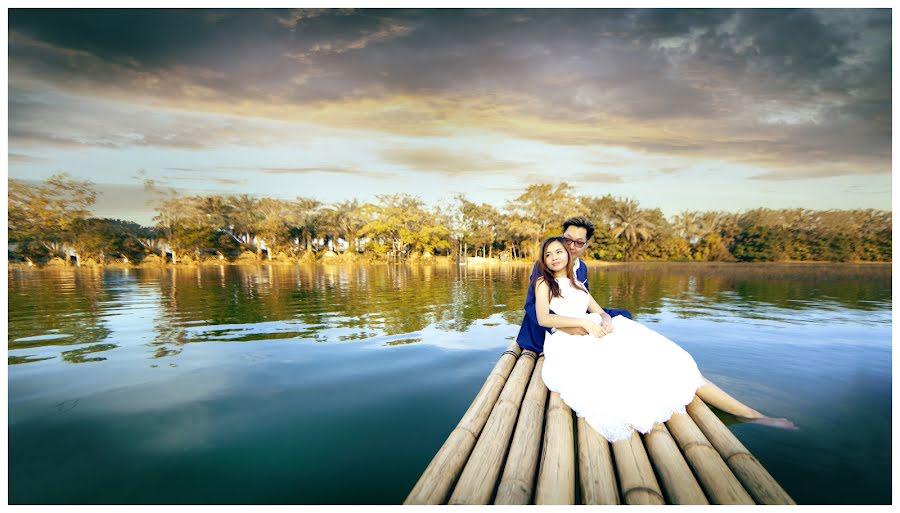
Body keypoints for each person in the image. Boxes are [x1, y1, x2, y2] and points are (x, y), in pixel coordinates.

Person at [531, 236, 795, 442]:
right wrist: (583, 324)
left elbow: (598, 310)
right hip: (569, 342)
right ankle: (746, 414)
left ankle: (750, 414)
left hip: (595, 330)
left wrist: (606, 320)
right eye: (548, 254)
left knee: (668, 359)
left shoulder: (578, 283)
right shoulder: (543, 283)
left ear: (569, 254)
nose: (554, 257)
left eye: (558, 252)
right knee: (622, 377)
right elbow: (544, 319)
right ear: (544, 259)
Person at [516, 217, 631, 355]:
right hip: (548, 324)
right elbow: (531, 304)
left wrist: (603, 319)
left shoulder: (582, 268)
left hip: (575, 315)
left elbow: (581, 299)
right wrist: (567, 328)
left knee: (623, 316)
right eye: (568, 240)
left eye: (579, 242)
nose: (571, 246)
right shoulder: (545, 267)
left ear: (586, 245)